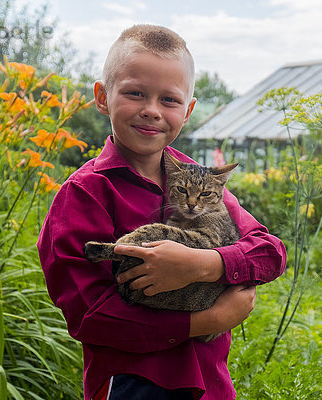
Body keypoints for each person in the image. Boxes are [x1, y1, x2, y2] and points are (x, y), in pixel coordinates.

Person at [37, 24, 287, 400]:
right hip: (133, 386)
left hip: (213, 387)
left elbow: (271, 253)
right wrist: (209, 320)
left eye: (169, 100)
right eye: (135, 93)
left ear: (187, 111)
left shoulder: (199, 181)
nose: (151, 111)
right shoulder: (84, 194)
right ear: (103, 97)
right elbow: (92, 318)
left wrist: (204, 265)